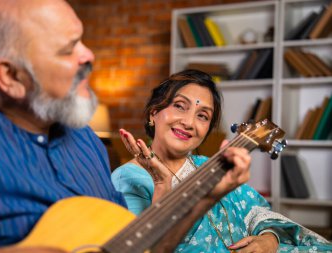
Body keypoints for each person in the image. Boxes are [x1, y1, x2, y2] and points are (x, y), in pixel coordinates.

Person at [0, 1, 252, 253]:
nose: (89, 56)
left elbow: (141, 247)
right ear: (10, 76)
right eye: (67, 49)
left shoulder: (85, 140)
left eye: (81, 40)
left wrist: (208, 197)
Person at [112, 69, 332, 253]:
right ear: (154, 113)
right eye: (180, 105)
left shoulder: (210, 165)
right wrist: (163, 184)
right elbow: (143, 248)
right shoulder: (128, 178)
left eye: (203, 115)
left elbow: (258, 211)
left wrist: (269, 239)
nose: (189, 122)